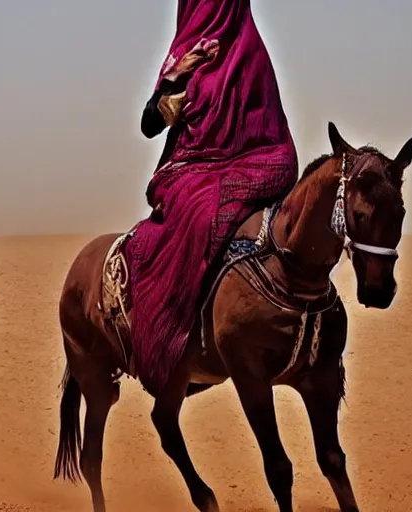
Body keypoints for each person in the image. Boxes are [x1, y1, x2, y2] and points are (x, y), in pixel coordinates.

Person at [126, 0, 298, 392]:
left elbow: (269, 124)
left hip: (257, 159)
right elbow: (148, 124)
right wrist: (179, 75)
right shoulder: (183, 56)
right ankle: (177, 335)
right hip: (195, 166)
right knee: (199, 212)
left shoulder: (250, 50)